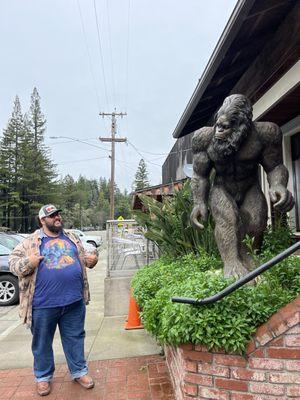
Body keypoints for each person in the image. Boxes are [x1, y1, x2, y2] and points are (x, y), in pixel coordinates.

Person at [9, 204, 98, 396]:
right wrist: (29, 263)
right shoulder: (31, 241)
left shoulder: (72, 237)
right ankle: (42, 377)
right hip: (42, 305)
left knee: (75, 338)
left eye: (58, 214)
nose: (57, 217)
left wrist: (92, 260)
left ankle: (79, 371)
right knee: (42, 343)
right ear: (42, 220)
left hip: (74, 302)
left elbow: (86, 255)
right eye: (52, 216)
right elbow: (13, 264)